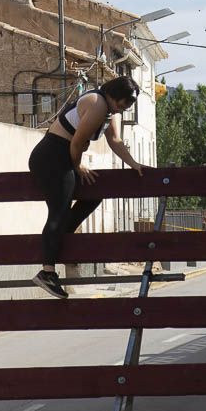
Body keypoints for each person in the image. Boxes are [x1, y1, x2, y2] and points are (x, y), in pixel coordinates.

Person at [28, 75, 144, 299]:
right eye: (123, 103)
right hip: (53, 155)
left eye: (128, 106)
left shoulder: (111, 111)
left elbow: (116, 141)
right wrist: (78, 165)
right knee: (58, 212)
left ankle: (63, 236)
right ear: (114, 95)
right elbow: (77, 141)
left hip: (66, 155)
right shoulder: (98, 104)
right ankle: (47, 272)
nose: (124, 109)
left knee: (95, 192)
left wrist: (134, 164)